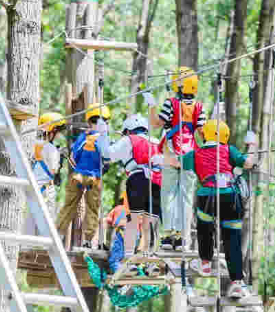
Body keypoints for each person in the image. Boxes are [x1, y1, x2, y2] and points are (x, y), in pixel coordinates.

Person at [174, 119, 257, 298]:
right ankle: (237, 282)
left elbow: (176, 163)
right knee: (232, 237)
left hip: (207, 195)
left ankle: (205, 263)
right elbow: (249, 163)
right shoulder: (229, 150)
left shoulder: (195, 154)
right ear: (224, 136)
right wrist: (252, 146)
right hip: (230, 195)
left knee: (205, 229)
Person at [144, 67, 206, 252]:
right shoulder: (199, 107)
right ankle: (183, 237)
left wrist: (151, 105)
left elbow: (156, 124)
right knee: (186, 197)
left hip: (171, 153)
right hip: (190, 155)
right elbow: (202, 134)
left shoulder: (171, 104)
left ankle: (168, 235)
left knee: (169, 194)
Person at [99, 114, 166, 255]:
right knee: (149, 223)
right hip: (157, 181)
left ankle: (128, 256)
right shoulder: (156, 141)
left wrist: (103, 134)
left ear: (129, 130)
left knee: (133, 221)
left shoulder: (128, 139)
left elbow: (107, 154)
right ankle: (149, 256)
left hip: (137, 179)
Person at [56, 103, 111, 248]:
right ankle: (87, 240)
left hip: (79, 175)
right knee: (92, 209)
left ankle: (58, 234)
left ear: (88, 121)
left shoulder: (83, 137)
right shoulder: (105, 139)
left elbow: (74, 158)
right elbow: (108, 159)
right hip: (95, 178)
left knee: (68, 206)